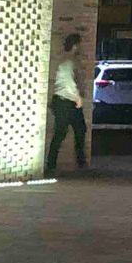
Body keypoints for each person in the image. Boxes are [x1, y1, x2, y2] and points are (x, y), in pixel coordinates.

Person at [45, 31, 89, 176]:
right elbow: (69, 83)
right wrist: (77, 97)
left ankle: (79, 160)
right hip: (65, 101)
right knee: (62, 132)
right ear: (75, 46)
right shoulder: (68, 62)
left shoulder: (66, 61)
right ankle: (52, 164)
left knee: (77, 129)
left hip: (65, 101)